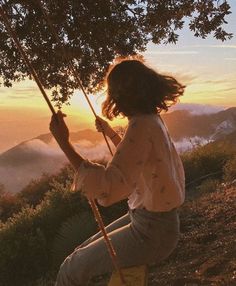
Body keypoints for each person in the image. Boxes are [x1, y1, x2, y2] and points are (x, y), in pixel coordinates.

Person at [50, 59, 185, 286]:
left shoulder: (140, 126)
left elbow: (108, 188)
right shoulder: (151, 120)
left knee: (70, 269)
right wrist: (110, 132)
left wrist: (64, 143)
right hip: (156, 224)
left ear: (120, 95)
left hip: (150, 234)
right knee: (79, 252)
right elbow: (137, 158)